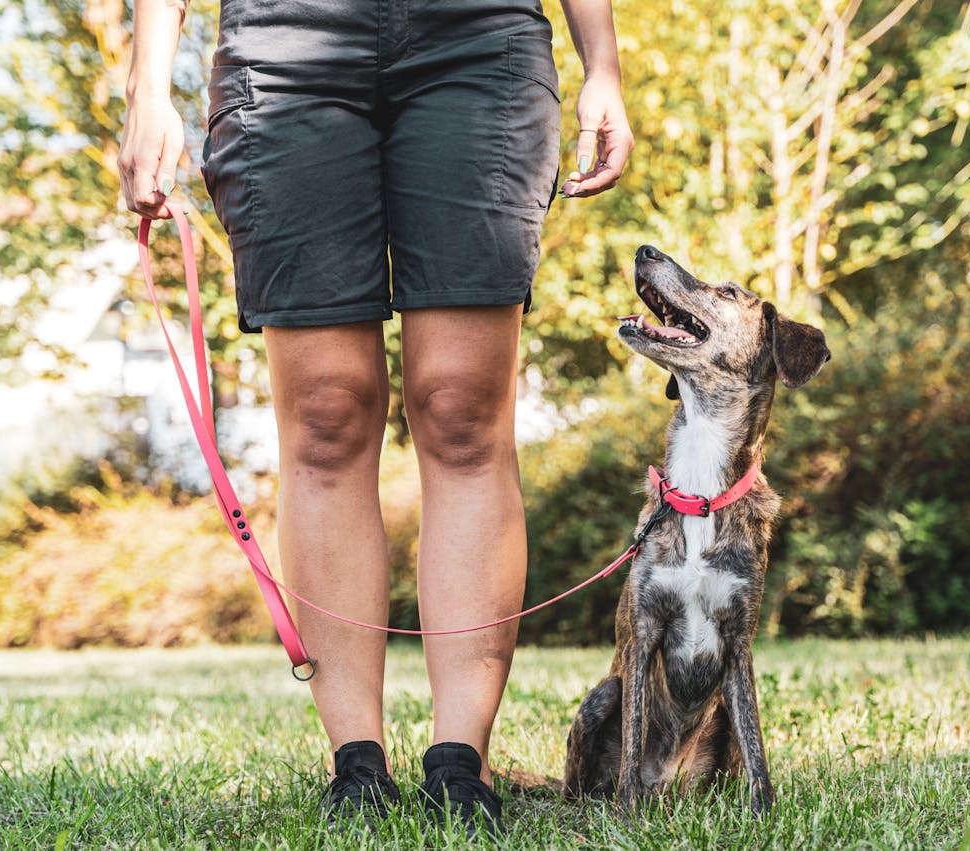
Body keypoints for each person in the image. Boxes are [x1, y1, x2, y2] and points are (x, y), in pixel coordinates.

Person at [118, 0, 632, 835]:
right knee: (326, 413)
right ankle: (357, 761)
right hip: (286, 46)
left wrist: (600, 61)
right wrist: (148, 85)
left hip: (479, 39)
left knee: (462, 406)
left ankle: (460, 762)